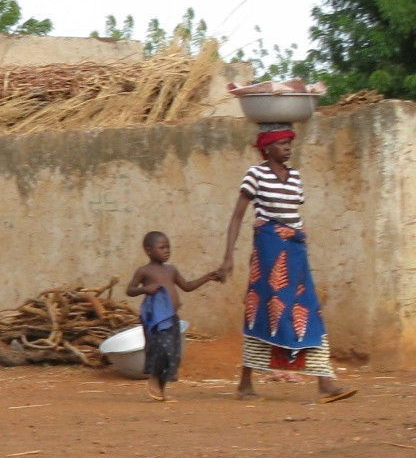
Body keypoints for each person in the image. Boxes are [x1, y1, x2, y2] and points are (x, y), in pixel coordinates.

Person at [219, 126, 357, 403]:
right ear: (266, 148)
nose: (287, 148)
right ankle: (245, 382)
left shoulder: (294, 177)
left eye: (289, 144)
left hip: (295, 250)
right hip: (268, 250)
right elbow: (236, 218)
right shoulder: (255, 174)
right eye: (281, 144)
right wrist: (228, 256)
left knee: (308, 310)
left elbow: (293, 214)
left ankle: (324, 381)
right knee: (261, 311)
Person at [124, 232, 220, 401]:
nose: (167, 251)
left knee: (173, 354)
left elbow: (187, 286)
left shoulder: (171, 270)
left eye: (168, 247)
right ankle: (153, 378)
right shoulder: (144, 271)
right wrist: (145, 289)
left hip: (172, 318)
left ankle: (161, 389)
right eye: (162, 248)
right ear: (148, 250)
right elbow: (130, 290)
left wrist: (207, 277)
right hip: (156, 320)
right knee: (160, 351)